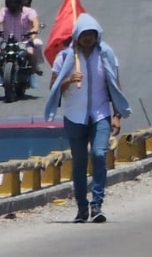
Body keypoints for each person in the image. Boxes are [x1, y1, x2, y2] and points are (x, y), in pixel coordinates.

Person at [44, 14, 131, 223]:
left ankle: (97, 203)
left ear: (97, 35)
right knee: (80, 163)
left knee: (100, 154)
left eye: (91, 34)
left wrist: (117, 115)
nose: (88, 38)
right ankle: (82, 207)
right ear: (77, 36)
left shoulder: (106, 54)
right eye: (84, 35)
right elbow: (54, 88)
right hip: (74, 116)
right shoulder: (65, 57)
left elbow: (114, 85)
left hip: (100, 114)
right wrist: (68, 80)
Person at [1, 0, 42, 84]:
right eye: (11, 2)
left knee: (31, 53)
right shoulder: (4, 11)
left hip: (23, 41)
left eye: (15, 2)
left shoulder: (28, 11)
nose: (13, 5)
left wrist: (34, 30)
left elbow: (35, 23)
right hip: (7, 41)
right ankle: (1, 75)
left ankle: (32, 75)